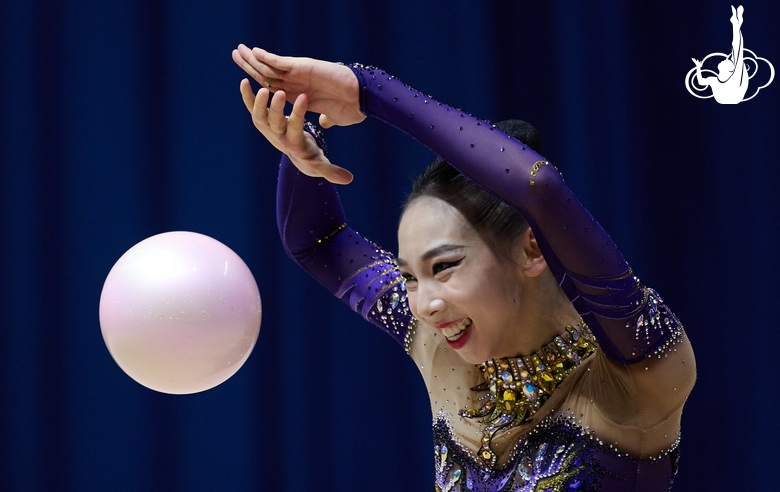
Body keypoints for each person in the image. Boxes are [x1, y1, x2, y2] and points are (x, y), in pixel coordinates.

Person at [232, 44, 696, 491]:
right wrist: (304, 158)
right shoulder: (439, 345)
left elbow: (538, 188)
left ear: (532, 249)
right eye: (410, 276)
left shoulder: (637, 368)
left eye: (445, 266)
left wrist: (369, 89)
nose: (423, 304)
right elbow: (318, 241)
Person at [692, 5, 748, 104]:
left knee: (737, 51)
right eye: (728, 61)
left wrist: (698, 67)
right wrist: (698, 67)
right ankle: (736, 24)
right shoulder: (717, 79)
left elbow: (701, 82)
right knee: (737, 52)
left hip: (732, 96)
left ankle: (736, 24)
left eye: (726, 61)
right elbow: (700, 82)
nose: (724, 59)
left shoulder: (720, 79)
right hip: (731, 96)